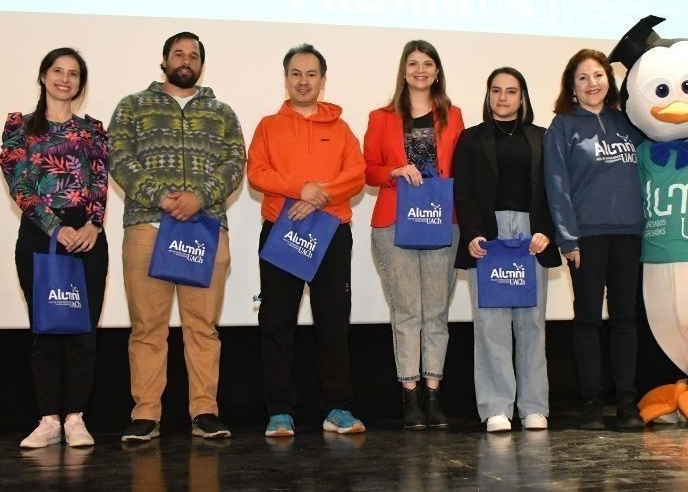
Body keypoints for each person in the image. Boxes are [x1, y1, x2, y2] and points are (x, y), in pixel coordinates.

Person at [109, 31, 246, 442]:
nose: (185, 60)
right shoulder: (133, 106)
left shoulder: (221, 112)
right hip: (148, 230)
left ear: (201, 65)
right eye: (178, 53)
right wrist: (161, 197)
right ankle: (146, 413)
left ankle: (204, 411)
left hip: (204, 231)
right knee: (147, 327)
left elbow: (235, 160)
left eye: (193, 55)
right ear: (164, 60)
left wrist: (199, 197)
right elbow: (118, 155)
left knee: (202, 328)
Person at [248, 43, 366, 437]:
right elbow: (258, 173)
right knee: (277, 322)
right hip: (282, 230)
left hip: (331, 232)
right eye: (296, 73)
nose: (303, 81)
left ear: (322, 80)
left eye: (311, 74)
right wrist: (300, 188)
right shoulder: (268, 125)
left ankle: (337, 408)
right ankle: (280, 411)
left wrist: (322, 195)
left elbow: (358, 174)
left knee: (333, 322)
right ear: (286, 79)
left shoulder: (342, 128)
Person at [0, 47, 109, 448]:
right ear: (44, 76)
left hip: (87, 235)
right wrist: (53, 227)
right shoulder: (19, 125)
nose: (65, 79)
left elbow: (99, 181)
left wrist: (94, 223)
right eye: (58, 71)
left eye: (74, 73)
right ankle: (48, 419)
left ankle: (76, 418)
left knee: (83, 331)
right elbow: (18, 183)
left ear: (81, 83)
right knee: (45, 331)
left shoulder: (93, 129)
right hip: (39, 235)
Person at [453, 67, 561, 432]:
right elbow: (463, 192)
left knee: (531, 323)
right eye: (496, 90)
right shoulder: (470, 139)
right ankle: (496, 406)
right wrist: (471, 233)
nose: (503, 97)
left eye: (511, 91)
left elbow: (552, 191)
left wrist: (547, 230)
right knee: (491, 325)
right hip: (488, 234)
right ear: (488, 96)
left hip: (532, 235)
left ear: (523, 97)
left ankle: (534, 406)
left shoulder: (543, 137)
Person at [363, 40, 464, 429]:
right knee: (407, 312)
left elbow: (462, 168)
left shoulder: (453, 116)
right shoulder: (380, 117)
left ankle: (434, 394)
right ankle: (410, 397)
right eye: (413, 64)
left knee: (435, 312)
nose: (420, 70)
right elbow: (367, 169)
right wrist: (393, 170)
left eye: (428, 64)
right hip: (394, 222)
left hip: (443, 222)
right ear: (403, 71)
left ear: (437, 72)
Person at [543, 49, 645, 429]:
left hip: (628, 234)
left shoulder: (627, 123)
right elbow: (557, 186)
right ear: (572, 86)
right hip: (586, 239)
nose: (592, 84)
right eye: (583, 77)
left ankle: (627, 403)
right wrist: (568, 240)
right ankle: (591, 405)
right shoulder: (562, 126)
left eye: (598, 76)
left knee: (625, 320)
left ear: (609, 80)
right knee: (587, 320)